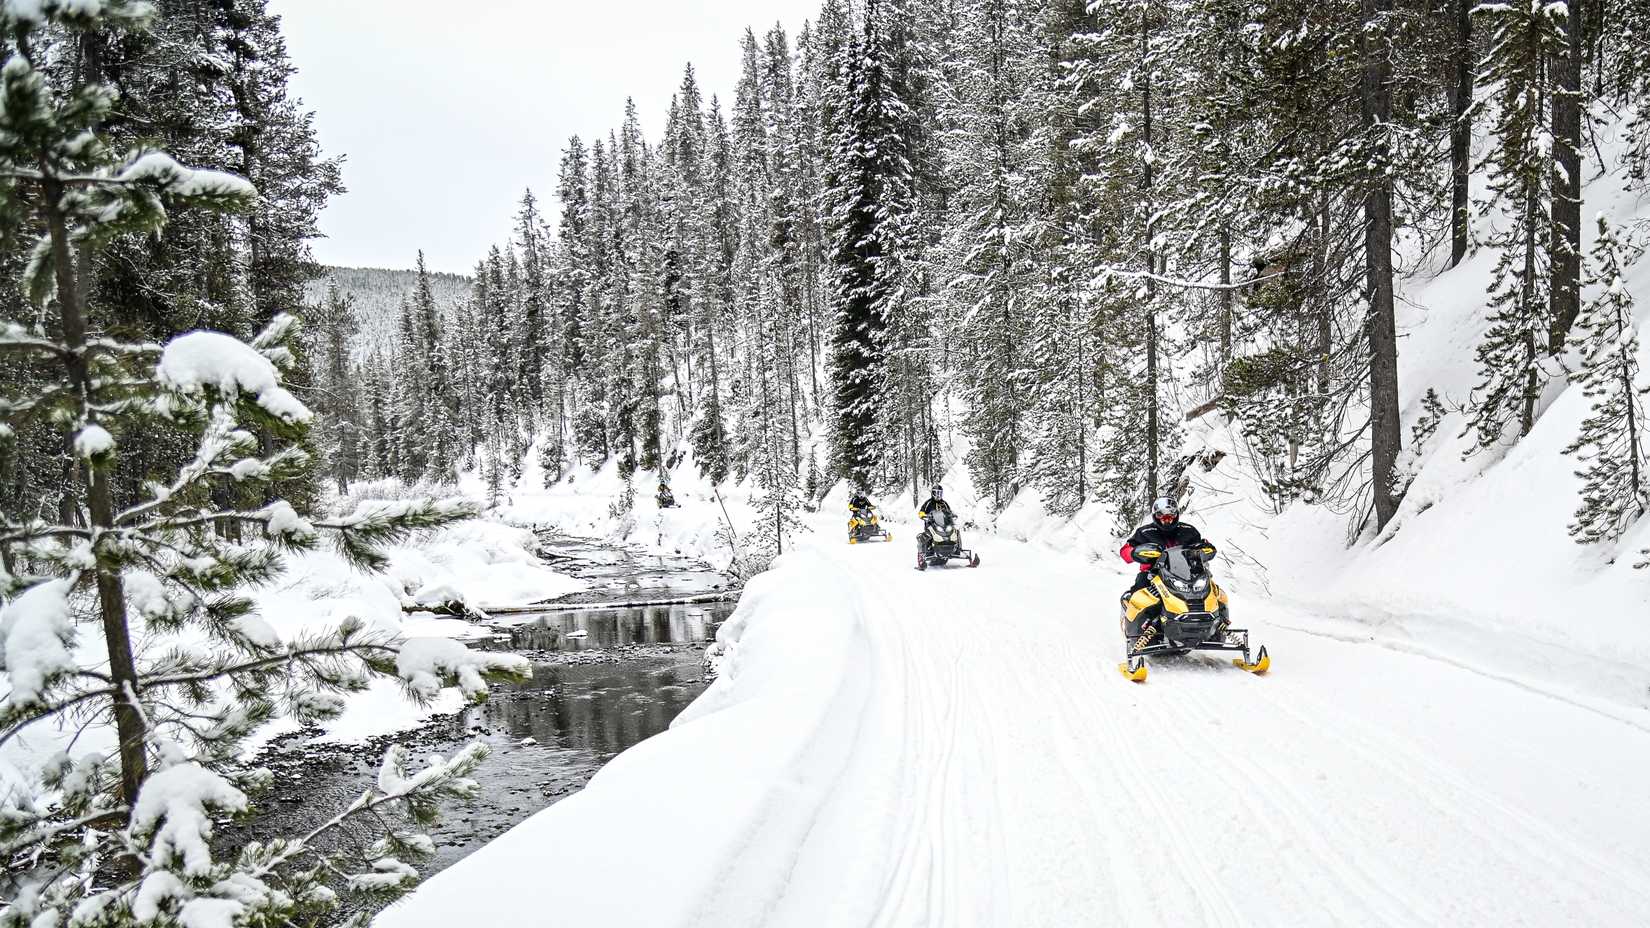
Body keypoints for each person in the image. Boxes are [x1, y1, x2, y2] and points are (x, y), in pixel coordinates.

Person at [1119, 496, 1215, 595]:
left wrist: (1205, 549)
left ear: (1176, 514)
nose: (1167, 520)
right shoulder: (1145, 532)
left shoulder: (1189, 531)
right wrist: (1134, 552)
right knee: (1139, 595)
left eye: (1170, 515)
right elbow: (1125, 550)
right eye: (1161, 515)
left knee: (1215, 593)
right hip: (1152, 574)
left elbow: (1201, 545)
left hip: (1187, 574)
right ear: (1155, 515)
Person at [916, 484, 954, 557]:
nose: (938, 495)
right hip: (931, 524)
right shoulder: (929, 503)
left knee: (955, 531)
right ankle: (923, 553)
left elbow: (949, 512)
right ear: (932, 493)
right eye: (936, 493)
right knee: (928, 535)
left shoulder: (944, 503)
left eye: (939, 493)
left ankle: (957, 548)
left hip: (943, 525)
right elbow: (921, 511)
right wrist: (923, 515)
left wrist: (952, 515)